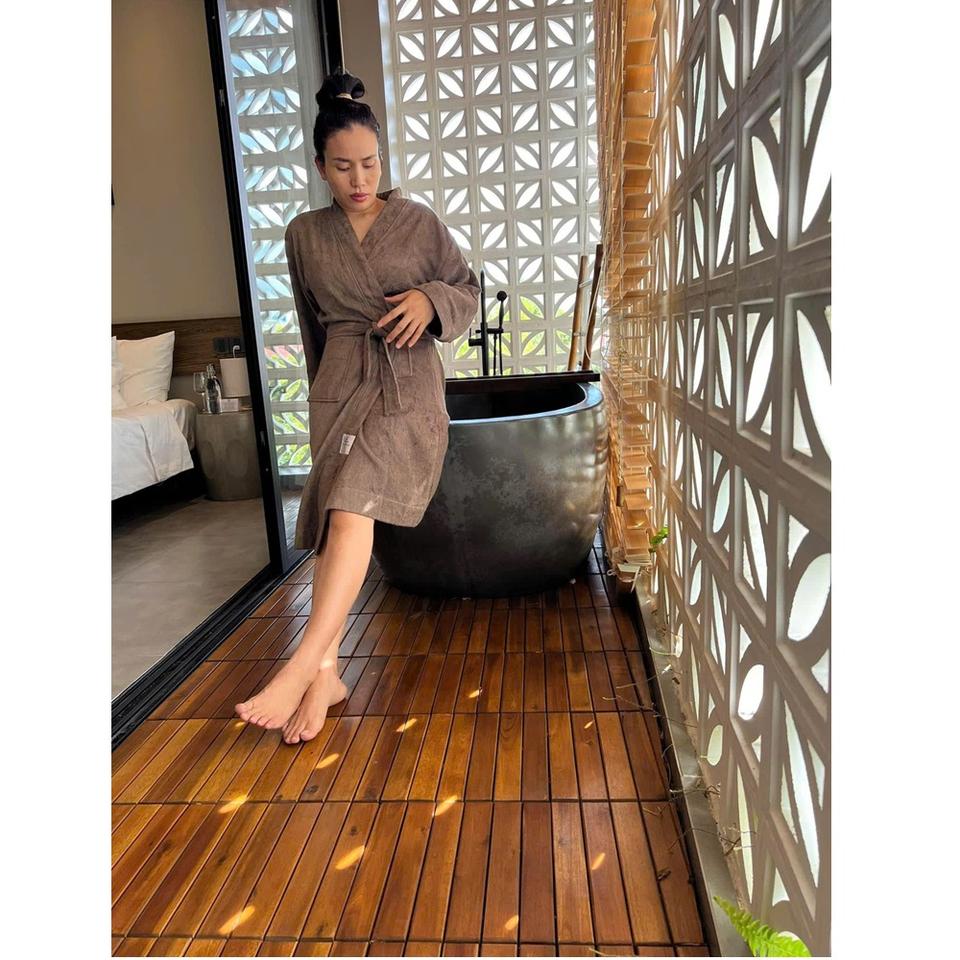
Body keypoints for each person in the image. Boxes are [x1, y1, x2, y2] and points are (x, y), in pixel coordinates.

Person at [235, 67, 480, 744]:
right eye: (343, 167)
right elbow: (311, 326)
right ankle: (328, 675)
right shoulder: (304, 234)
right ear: (321, 167)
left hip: (406, 386)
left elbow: (467, 288)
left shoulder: (418, 222)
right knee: (339, 521)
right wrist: (322, 398)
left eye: (369, 163)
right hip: (340, 385)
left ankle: (302, 666)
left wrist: (430, 300)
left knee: (348, 510)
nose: (359, 178)